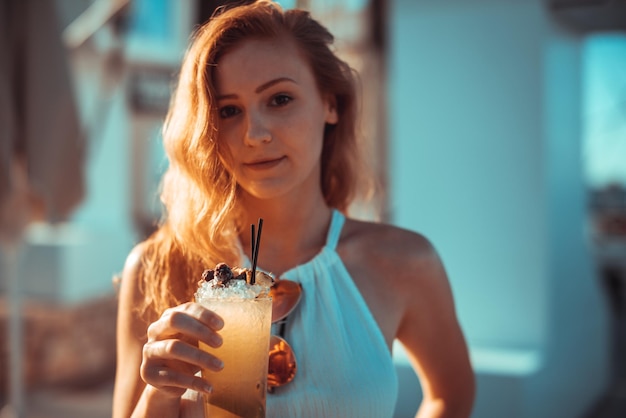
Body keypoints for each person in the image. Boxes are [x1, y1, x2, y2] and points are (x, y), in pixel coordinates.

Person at [112, 1, 475, 417]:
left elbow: (451, 395)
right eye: (229, 110)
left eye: (280, 99)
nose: (254, 134)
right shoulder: (160, 266)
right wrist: (160, 392)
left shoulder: (404, 263)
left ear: (331, 104)